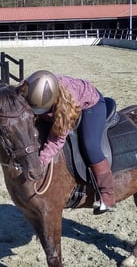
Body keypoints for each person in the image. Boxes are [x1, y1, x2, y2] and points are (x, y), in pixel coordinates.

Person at [24, 70, 116, 214]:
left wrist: (41, 161)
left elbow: (57, 138)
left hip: (91, 104)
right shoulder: (30, 87)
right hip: (53, 103)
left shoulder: (64, 104)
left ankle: (107, 195)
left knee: (90, 145)